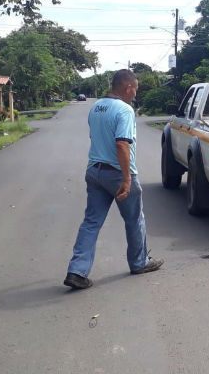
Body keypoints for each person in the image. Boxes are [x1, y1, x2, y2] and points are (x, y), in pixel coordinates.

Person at [64, 69, 163, 290]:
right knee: (135, 219)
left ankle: (77, 271)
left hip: (95, 171)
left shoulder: (96, 107)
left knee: (91, 222)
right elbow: (121, 144)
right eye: (135, 89)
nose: (136, 93)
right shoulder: (125, 110)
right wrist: (127, 179)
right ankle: (139, 263)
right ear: (128, 88)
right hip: (117, 174)